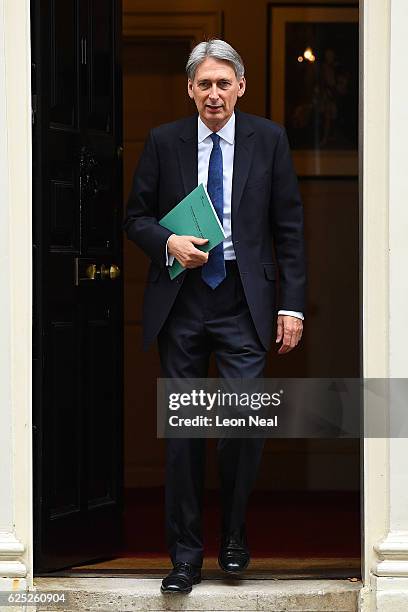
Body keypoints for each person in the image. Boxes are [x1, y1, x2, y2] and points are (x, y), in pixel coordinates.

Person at [123, 39, 306, 594]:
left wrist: (291, 304)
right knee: (183, 435)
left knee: (239, 427)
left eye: (223, 83)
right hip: (183, 302)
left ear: (240, 87)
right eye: (204, 84)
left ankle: (233, 536)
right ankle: (183, 558)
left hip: (243, 302)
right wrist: (169, 241)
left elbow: (289, 228)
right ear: (189, 90)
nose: (213, 93)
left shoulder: (269, 139)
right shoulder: (163, 142)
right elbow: (135, 217)